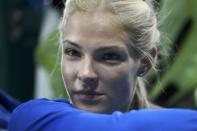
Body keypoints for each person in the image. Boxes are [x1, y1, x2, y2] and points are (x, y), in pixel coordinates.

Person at [8, 0, 197, 130]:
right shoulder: (33, 117)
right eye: (73, 52)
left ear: (146, 61)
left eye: (109, 56)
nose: (86, 73)